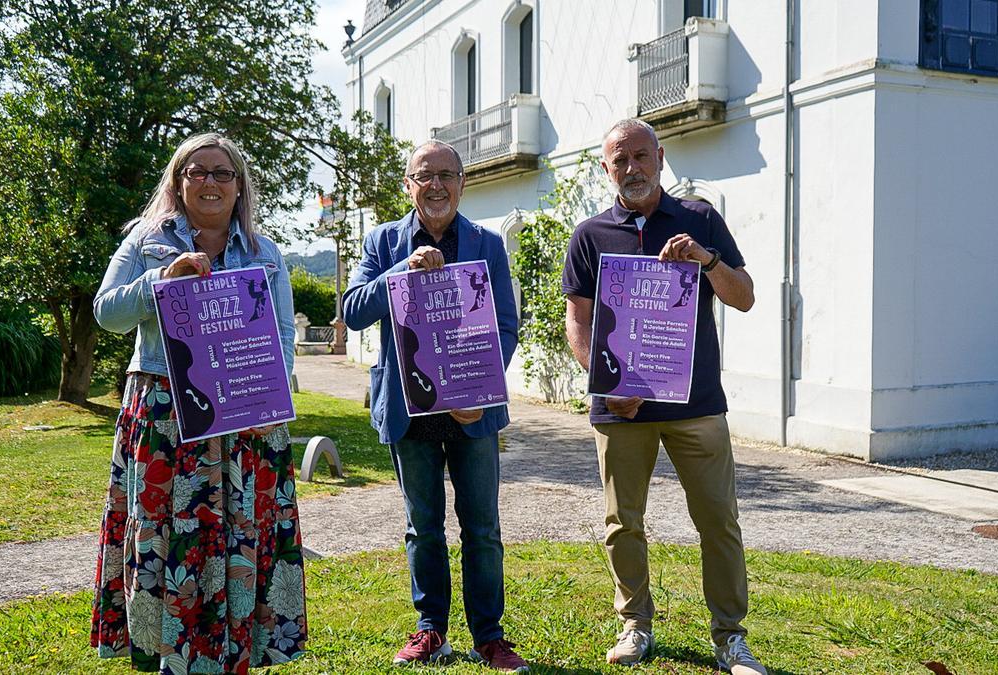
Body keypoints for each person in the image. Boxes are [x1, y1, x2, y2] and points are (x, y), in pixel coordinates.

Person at [90, 132, 305, 674]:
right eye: (197, 171)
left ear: (240, 187)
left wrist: (269, 401)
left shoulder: (263, 251)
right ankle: (170, 657)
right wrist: (160, 281)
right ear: (178, 182)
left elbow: (281, 337)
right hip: (165, 413)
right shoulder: (147, 240)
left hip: (244, 417)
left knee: (236, 537)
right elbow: (106, 312)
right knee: (170, 536)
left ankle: (231, 653)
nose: (210, 181)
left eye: (222, 172)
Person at [561, 119, 765, 674]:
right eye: (619, 160)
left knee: (718, 520)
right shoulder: (590, 235)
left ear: (660, 156)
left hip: (696, 404)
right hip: (621, 408)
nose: (632, 168)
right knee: (622, 522)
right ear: (606, 169)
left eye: (641, 156)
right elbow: (578, 325)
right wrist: (608, 382)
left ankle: (730, 637)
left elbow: (744, 297)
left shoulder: (698, 218)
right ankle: (635, 624)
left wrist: (708, 260)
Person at [343, 140, 529, 673]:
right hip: (411, 410)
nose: (437, 185)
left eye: (447, 175)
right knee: (422, 527)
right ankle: (431, 630)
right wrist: (402, 271)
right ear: (409, 185)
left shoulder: (487, 244)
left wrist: (476, 393)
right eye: (425, 176)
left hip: (473, 413)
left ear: (462, 183)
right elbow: (354, 311)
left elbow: (506, 328)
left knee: (483, 529)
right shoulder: (383, 242)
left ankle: (489, 636)